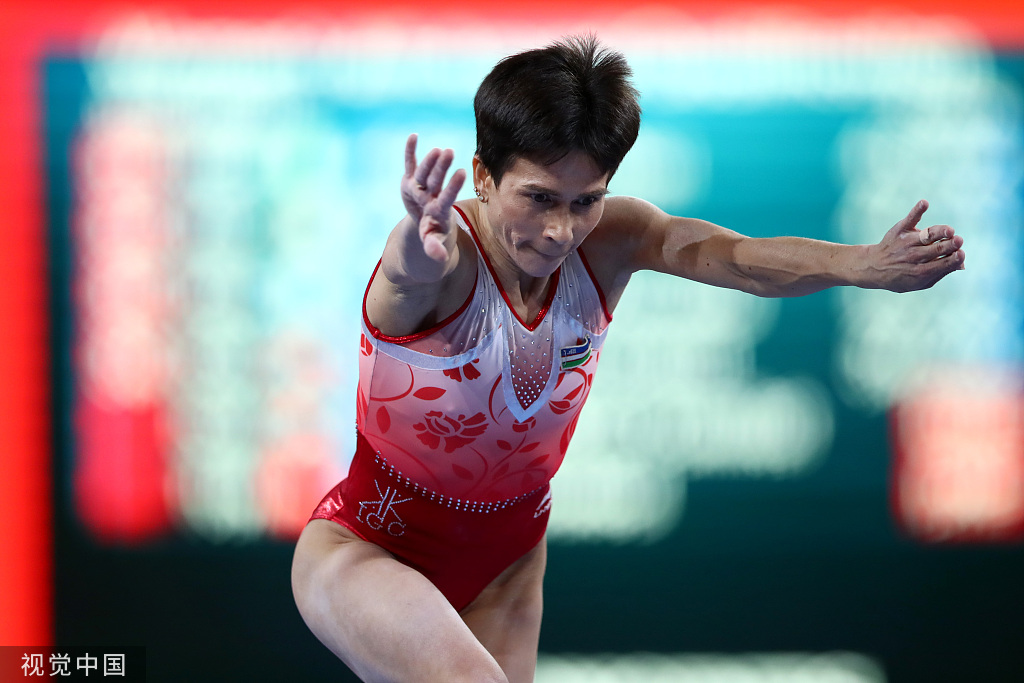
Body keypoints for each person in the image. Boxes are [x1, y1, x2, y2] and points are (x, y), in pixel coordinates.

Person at [291, 35, 965, 683]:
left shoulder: (613, 239)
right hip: (367, 547)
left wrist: (862, 265)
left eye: (586, 201)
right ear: (484, 176)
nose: (560, 230)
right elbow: (404, 277)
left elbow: (738, 259)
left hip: (508, 564)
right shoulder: (443, 256)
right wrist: (415, 244)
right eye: (539, 198)